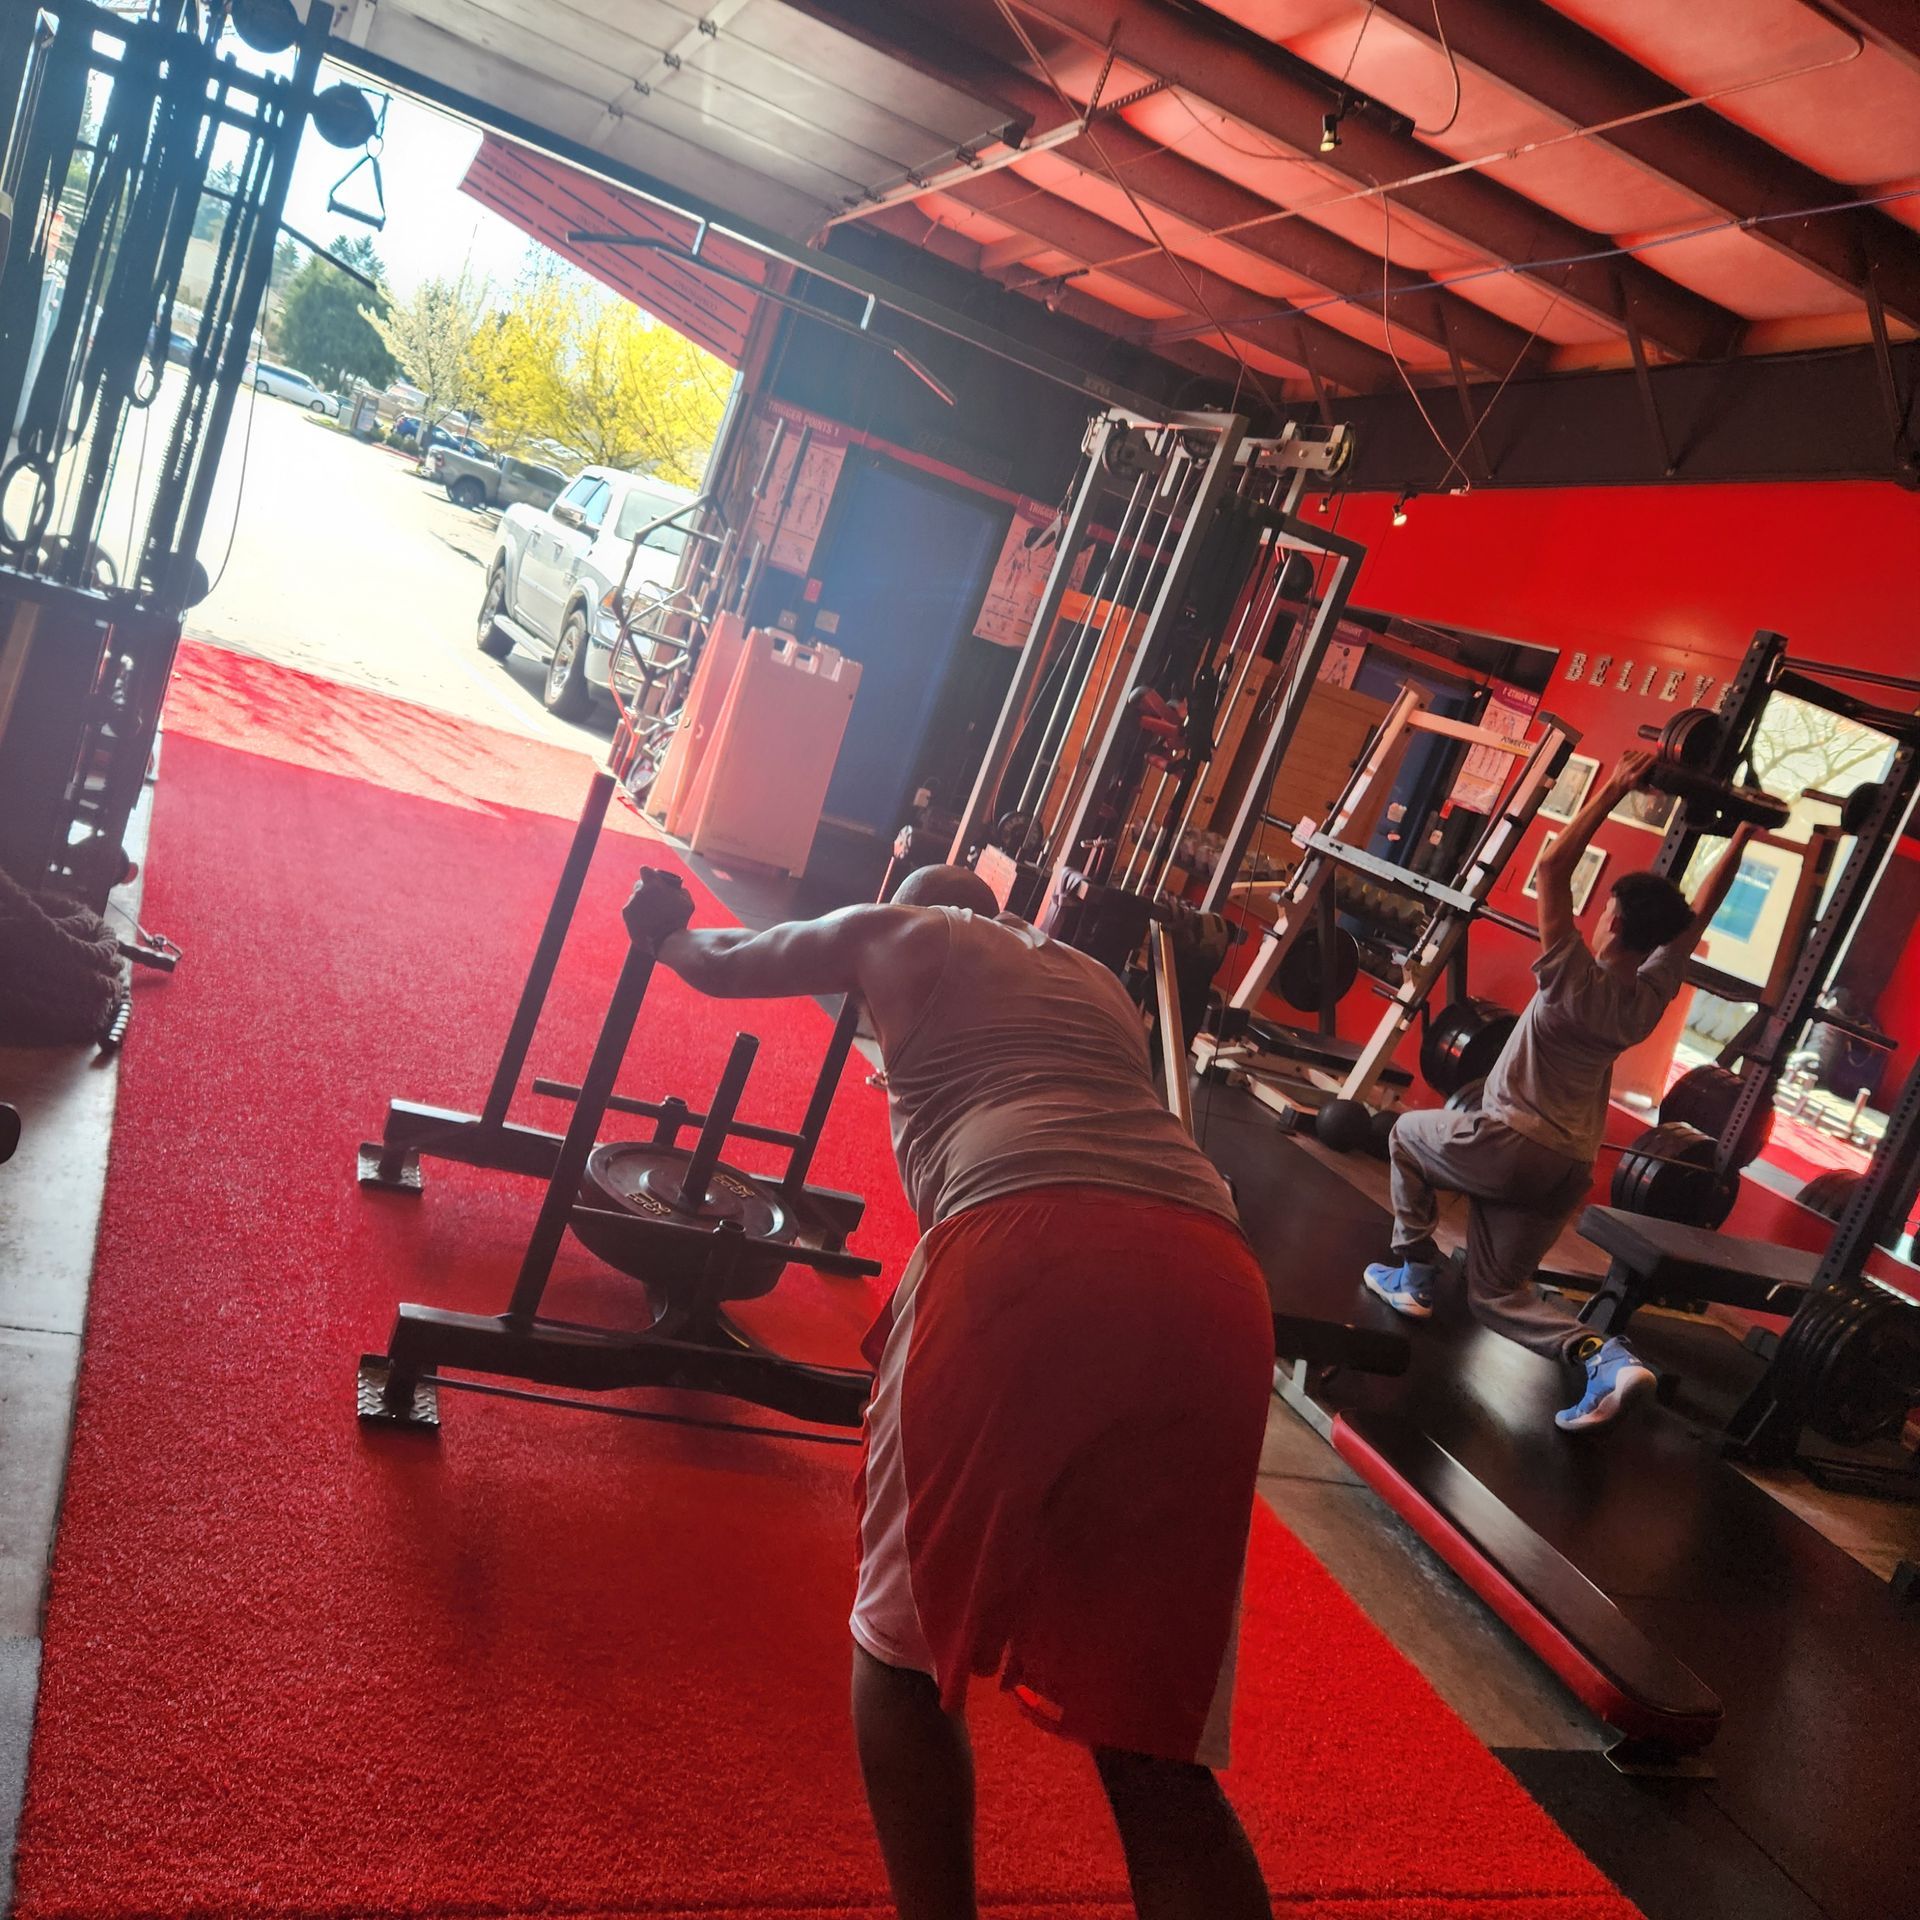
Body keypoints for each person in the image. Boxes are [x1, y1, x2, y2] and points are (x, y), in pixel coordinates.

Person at [634, 863, 1275, 1920]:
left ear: (921, 899)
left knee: (900, 1648)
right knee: (1150, 1738)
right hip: (1216, 1278)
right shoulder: (1093, 981)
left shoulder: (897, 928)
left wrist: (662, 934)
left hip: (1023, 1244)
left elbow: (728, 960)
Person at [1362, 750, 1756, 1431]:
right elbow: (1698, 918)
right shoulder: (1647, 996)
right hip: (1571, 1166)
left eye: (1604, 909)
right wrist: (1744, 831)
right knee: (1495, 1294)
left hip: (1511, 1140)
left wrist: (1616, 785)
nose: (1597, 915)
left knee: (1403, 1133)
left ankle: (1415, 1271)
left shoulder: (1570, 974)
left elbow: (1552, 869)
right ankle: (1603, 1358)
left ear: (1613, 923)